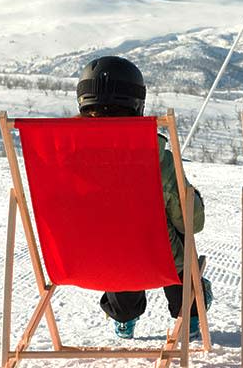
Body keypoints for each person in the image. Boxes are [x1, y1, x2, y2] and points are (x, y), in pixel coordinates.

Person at [75, 55, 212, 340]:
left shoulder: (62, 157)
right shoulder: (155, 158)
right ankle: (191, 312)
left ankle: (123, 313)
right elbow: (192, 222)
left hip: (89, 257)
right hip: (155, 256)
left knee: (113, 233)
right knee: (176, 228)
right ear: (137, 104)